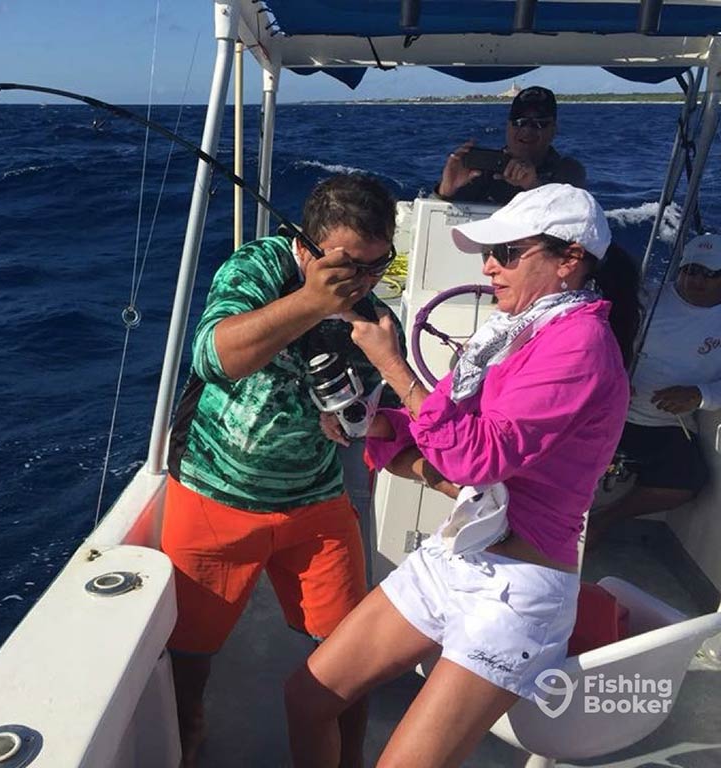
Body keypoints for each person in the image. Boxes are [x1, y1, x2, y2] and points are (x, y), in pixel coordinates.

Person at [285, 184, 641, 768]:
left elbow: (478, 457)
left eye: (507, 252)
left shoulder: (581, 343)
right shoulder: (509, 334)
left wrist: (392, 364)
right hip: (455, 558)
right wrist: (378, 426)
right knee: (308, 697)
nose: (489, 266)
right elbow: (436, 419)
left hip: (516, 592)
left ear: (569, 261)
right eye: (487, 253)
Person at [162, 173, 404, 768]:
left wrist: (352, 419)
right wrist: (312, 302)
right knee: (191, 654)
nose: (363, 282)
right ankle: (187, 735)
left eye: (379, 265)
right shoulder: (260, 268)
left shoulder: (372, 307)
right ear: (305, 247)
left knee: (349, 653)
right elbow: (213, 356)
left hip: (316, 501)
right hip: (215, 494)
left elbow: (369, 408)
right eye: (348, 268)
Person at [588, 233, 721, 546]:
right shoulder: (644, 300)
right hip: (611, 411)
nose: (696, 280)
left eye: (709, 274)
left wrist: (700, 394)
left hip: (666, 424)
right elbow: (596, 342)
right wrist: (614, 378)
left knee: (689, 480)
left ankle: (602, 522)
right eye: (691, 270)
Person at [436, 86, 586, 205]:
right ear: (507, 126)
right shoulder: (480, 171)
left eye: (539, 124)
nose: (527, 130)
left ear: (553, 129)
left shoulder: (568, 171)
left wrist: (533, 186)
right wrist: (446, 190)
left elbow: (574, 221)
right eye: (519, 122)